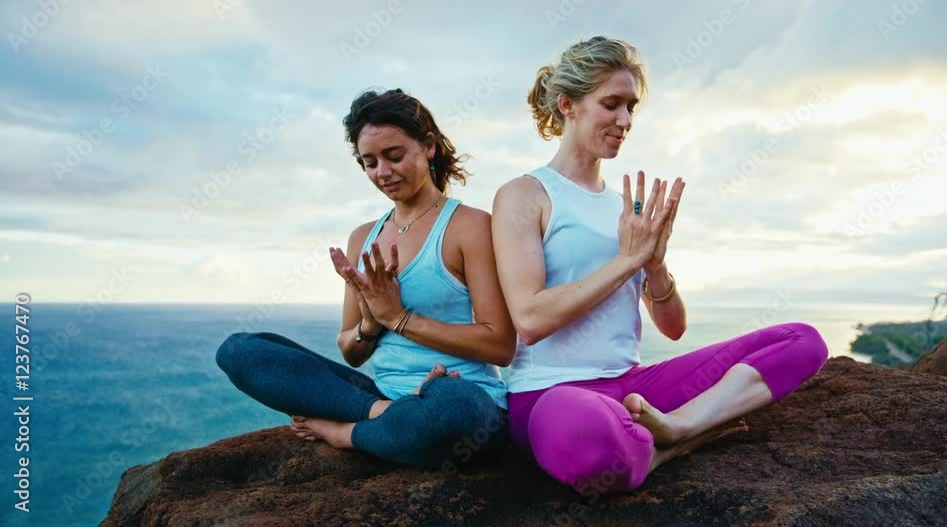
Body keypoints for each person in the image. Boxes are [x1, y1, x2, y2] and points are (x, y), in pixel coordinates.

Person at [491, 36, 829, 495]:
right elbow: (529, 320)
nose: (625, 121)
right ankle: (674, 445)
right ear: (567, 104)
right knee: (592, 442)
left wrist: (654, 266)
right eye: (611, 104)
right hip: (553, 395)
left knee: (802, 342)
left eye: (631, 107)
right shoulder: (524, 194)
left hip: (633, 389)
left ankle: (677, 428)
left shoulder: (623, 208)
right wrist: (627, 258)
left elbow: (673, 329)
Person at [217, 88, 515, 469]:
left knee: (460, 414)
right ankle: (386, 414)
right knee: (239, 350)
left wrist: (398, 318)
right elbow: (351, 352)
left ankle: (346, 433)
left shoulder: (470, 227)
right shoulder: (363, 238)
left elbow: (500, 344)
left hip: (459, 394)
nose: (383, 173)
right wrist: (372, 322)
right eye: (369, 162)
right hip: (380, 394)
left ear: (428, 147)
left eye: (394, 156)